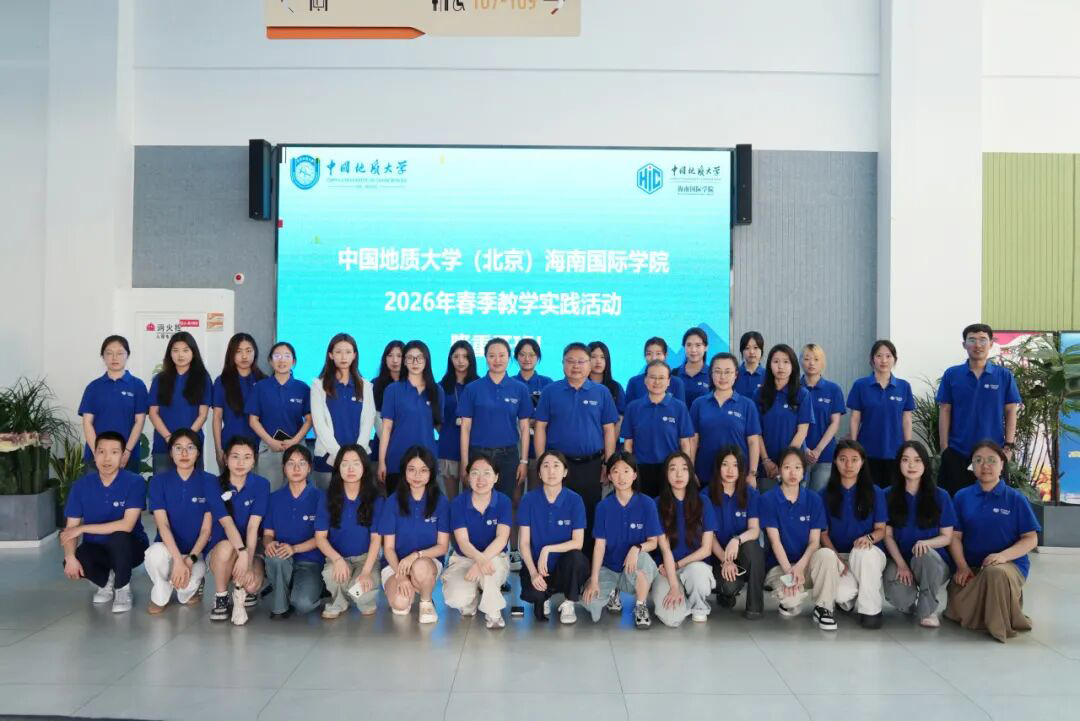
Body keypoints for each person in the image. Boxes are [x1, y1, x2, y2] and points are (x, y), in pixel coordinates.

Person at [946, 440, 1039, 642]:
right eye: (978, 460)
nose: (985, 465)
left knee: (994, 572)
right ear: (972, 465)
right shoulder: (962, 497)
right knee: (955, 610)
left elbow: (1031, 538)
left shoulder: (1015, 498)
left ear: (1002, 464)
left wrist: (1003, 556)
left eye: (991, 460)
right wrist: (962, 567)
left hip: (1009, 565)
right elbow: (954, 536)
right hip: (971, 568)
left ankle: (999, 628)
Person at [533, 342, 618, 535]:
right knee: (558, 513)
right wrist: (541, 461)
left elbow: (609, 430)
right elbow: (540, 427)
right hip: (559, 465)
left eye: (581, 361)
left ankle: (587, 554)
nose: (576, 366)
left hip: (592, 465)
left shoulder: (601, 392)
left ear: (589, 364)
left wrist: (608, 463)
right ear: (563, 364)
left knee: (589, 513)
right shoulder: (550, 391)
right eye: (570, 361)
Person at [60, 432, 149, 614]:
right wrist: (70, 558)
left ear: (123, 456)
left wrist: (82, 528)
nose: (107, 458)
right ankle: (106, 581)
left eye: (114, 452)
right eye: (101, 452)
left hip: (130, 548)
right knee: (77, 556)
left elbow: (127, 525)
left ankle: (122, 588)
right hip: (97, 547)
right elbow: (70, 530)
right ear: (94, 454)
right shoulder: (81, 486)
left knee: (119, 537)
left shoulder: (135, 482)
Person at [582, 451, 671, 629]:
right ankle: (613, 591)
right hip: (610, 567)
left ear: (634, 474)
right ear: (609, 476)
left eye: (626, 471)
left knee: (643, 560)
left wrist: (636, 548)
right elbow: (599, 546)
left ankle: (640, 605)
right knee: (589, 604)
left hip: (633, 566)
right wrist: (594, 579)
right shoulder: (603, 507)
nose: (621, 477)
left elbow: (653, 542)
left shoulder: (647, 504)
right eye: (615, 471)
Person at [759, 447, 840, 630]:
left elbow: (814, 542)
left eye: (797, 467)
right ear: (780, 470)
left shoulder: (814, 499)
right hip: (780, 566)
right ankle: (789, 600)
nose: (792, 472)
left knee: (827, 554)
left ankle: (824, 608)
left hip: (807, 564)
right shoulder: (768, 499)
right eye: (787, 467)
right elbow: (775, 542)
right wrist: (790, 571)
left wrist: (800, 567)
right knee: (791, 602)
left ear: (804, 471)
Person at [936, 324, 1021, 494]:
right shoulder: (952, 374)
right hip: (958, 452)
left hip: (992, 453)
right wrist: (944, 447)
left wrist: (1008, 446)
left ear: (991, 344)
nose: (977, 345)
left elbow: (1011, 411)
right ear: (964, 344)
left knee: (991, 501)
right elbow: (945, 410)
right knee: (954, 501)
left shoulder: (1003, 375)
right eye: (972, 340)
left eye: (983, 340)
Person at [883, 440, 955, 628]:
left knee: (924, 554)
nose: (911, 465)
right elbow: (887, 535)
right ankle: (909, 602)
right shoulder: (887, 495)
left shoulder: (941, 496)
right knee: (899, 597)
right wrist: (901, 564)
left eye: (917, 460)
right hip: (900, 559)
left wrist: (927, 543)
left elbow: (947, 536)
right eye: (905, 460)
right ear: (899, 464)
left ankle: (928, 610)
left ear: (925, 464)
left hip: (932, 562)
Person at [818, 440, 888, 629]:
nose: (848, 465)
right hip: (840, 556)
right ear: (835, 461)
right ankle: (853, 595)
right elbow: (823, 534)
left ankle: (871, 611)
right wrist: (835, 558)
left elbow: (882, 529)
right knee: (841, 594)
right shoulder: (824, 494)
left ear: (862, 462)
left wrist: (869, 538)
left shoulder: (876, 492)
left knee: (862, 553)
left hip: (870, 553)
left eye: (854, 459)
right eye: (843, 459)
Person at [378, 445, 450, 624]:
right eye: (412, 469)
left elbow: (442, 547)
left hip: (426, 561)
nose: (417, 476)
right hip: (395, 563)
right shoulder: (392, 502)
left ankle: (426, 601)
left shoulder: (440, 501)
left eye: (423, 470)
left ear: (431, 473)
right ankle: (409, 589)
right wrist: (401, 575)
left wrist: (416, 555)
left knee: (420, 567)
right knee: (400, 605)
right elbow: (388, 548)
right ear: (404, 471)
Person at [145, 429, 214, 614]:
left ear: (198, 453)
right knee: (154, 554)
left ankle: (187, 590)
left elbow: (206, 531)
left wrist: (189, 561)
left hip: (195, 553)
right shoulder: (158, 481)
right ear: (170, 452)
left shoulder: (210, 482)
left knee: (186, 591)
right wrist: (177, 560)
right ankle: (161, 594)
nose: (184, 453)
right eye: (178, 448)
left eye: (190, 448)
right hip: (168, 549)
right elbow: (163, 524)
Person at [517, 449, 590, 623]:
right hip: (538, 567)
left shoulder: (575, 500)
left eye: (556, 466)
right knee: (533, 594)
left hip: (564, 568)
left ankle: (569, 602)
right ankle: (545, 597)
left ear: (564, 472)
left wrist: (548, 549)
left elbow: (578, 542)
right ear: (539, 473)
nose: (551, 471)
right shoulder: (528, 500)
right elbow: (523, 543)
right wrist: (533, 573)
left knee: (577, 558)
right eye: (546, 466)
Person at [314, 445, 384, 620]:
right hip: (338, 557)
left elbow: (376, 540)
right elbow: (320, 538)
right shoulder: (327, 497)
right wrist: (337, 559)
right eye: (345, 464)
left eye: (356, 463)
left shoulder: (375, 498)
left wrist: (366, 572)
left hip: (366, 558)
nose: (350, 469)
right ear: (338, 468)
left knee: (361, 592)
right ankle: (339, 601)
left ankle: (358, 596)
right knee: (332, 573)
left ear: (364, 467)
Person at [458, 337, 531, 504]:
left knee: (504, 503)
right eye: (492, 356)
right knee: (476, 502)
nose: (497, 360)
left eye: (502, 355)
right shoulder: (473, 388)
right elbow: (465, 428)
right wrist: (465, 462)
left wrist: (524, 461)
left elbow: (525, 427)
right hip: (478, 454)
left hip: (508, 456)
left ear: (509, 358)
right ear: (485, 358)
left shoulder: (519, 388)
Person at [205, 436, 270, 626]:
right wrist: (241, 552)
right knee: (227, 548)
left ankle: (241, 588)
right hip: (223, 548)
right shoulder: (214, 484)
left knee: (252, 585)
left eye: (247, 457)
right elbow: (227, 524)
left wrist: (247, 562)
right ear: (225, 459)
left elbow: (253, 526)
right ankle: (221, 596)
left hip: (251, 547)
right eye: (235, 457)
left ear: (254, 460)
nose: (241, 463)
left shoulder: (261, 484)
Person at [444, 453, 513, 628]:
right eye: (475, 473)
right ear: (468, 477)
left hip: (495, 557)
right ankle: (472, 596)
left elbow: (502, 538)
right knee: (457, 598)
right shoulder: (458, 503)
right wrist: (478, 560)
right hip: (464, 558)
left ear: (496, 477)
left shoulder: (503, 502)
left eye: (487, 473)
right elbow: (462, 541)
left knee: (489, 569)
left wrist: (481, 562)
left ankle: (493, 612)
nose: (480, 479)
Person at [651, 450, 717, 626]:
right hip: (665, 569)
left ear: (691, 473)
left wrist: (679, 564)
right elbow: (665, 548)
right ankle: (682, 596)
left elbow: (706, 549)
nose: (679, 474)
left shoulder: (703, 502)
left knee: (698, 574)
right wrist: (673, 585)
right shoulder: (657, 504)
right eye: (673, 469)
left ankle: (699, 605)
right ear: (666, 474)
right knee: (672, 620)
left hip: (694, 565)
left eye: (684, 469)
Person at [262, 445, 324, 619]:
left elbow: (322, 538)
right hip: (283, 559)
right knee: (275, 558)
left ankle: (311, 587)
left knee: (303, 604)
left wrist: (295, 549)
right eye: (291, 463)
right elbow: (267, 534)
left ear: (309, 468)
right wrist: (269, 544)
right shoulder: (274, 498)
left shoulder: (320, 497)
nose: (296, 468)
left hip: (310, 561)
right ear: (284, 468)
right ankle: (280, 607)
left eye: (302, 463)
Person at [705, 446, 765, 619]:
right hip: (717, 556)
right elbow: (709, 537)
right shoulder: (706, 495)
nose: (730, 470)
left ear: (741, 469)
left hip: (741, 551)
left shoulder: (750, 493)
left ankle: (754, 608)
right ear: (718, 467)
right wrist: (725, 560)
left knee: (754, 549)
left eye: (735, 465)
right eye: (725, 464)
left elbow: (754, 530)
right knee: (729, 585)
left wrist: (737, 540)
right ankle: (726, 593)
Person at [310, 333, 376, 490]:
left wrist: (355, 457)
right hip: (327, 458)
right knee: (327, 502)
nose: (343, 356)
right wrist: (340, 456)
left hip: (359, 460)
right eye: (338, 352)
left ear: (354, 355)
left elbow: (368, 422)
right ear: (331, 355)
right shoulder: (319, 385)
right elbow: (319, 424)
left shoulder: (365, 386)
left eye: (348, 352)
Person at [378, 340, 444, 495]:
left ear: (426, 361)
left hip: (427, 460)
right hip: (397, 459)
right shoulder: (393, 390)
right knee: (396, 504)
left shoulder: (436, 391)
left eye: (419, 358)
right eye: (410, 358)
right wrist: (381, 461)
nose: (415, 362)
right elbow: (386, 428)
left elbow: (439, 426)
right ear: (404, 361)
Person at [246, 341, 312, 491]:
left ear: (293, 362)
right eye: (277, 356)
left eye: (287, 356)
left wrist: (295, 441)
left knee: (298, 491)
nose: (282, 360)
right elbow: (253, 420)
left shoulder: (302, 388)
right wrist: (270, 441)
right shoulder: (260, 387)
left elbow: (309, 420)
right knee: (269, 492)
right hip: (269, 447)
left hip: (296, 447)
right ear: (270, 361)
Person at [622, 360, 694, 496]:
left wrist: (687, 469)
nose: (657, 382)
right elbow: (628, 444)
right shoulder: (633, 407)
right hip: (641, 469)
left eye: (661, 378)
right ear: (645, 380)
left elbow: (685, 443)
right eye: (652, 377)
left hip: (670, 469)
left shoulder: (679, 407)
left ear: (668, 381)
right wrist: (629, 469)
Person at [847, 340, 914, 487]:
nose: (884, 360)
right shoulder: (860, 385)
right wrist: (853, 445)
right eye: (879, 356)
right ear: (872, 360)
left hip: (895, 451)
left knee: (893, 494)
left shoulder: (904, 386)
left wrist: (908, 446)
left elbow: (907, 420)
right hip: (867, 450)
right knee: (868, 492)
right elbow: (855, 418)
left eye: (888, 356)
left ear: (895, 359)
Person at [690, 352, 761, 488]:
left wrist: (752, 473)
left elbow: (753, 442)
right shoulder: (698, 404)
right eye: (718, 371)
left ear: (736, 375)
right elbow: (693, 441)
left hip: (737, 475)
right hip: (705, 474)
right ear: (711, 374)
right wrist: (691, 471)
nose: (722, 377)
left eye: (728, 372)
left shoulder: (747, 405)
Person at [79, 335, 148, 473]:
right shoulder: (94, 387)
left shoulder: (138, 385)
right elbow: (87, 422)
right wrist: (98, 452)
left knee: (128, 487)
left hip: (128, 455)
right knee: (95, 487)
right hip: (96, 456)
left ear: (127, 355)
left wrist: (127, 451)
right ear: (103, 356)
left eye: (120, 353)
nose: (114, 358)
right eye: (109, 353)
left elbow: (139, 421)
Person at [148, 332, 212, 474]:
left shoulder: (202, 379)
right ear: (170, 353)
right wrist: (169, 438)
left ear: (193, 352)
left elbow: (203, 414)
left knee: (193, 486)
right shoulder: (160, 379)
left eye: (185, 350)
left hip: (192, 446)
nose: (180, 355)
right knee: (163, 486)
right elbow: (153, 413)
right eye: (175, 350)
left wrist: (186, 441)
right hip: (163, 445)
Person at [754, 345, 814, 488]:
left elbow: (802, 431)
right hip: (767, 467)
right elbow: (756, 432)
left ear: (793, 365)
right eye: (776, 361)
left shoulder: (802, 394)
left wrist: (786, 463)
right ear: (769, 365)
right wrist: (766, 460)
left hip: (794, 466)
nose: (780, 366)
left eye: (786, 362)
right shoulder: (759, 394)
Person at [212, 333, 265, 469]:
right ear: (231, 354)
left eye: (248, 351)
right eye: (239, 351)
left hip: (259, 448)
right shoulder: (222, 381)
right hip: (229, 446)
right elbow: (217, 417)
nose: (244, 356)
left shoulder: (264, 381)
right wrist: (218, 449)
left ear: (255, 353)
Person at [800, 344, 846, 492]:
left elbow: (835, 423)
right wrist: (805, 449)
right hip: (798, 454)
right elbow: (792, 422)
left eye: (816, 359)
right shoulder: (794, 388)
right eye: (807, 359)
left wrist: (818, 450)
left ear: (822, 362)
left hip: (824, 454)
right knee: (798, 497)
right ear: (800, 361)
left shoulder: (833, 389)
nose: (811, 363)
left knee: (819, 498)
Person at [437, 340, 479, 497]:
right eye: (456, 356)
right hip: (449, 446)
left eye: (465, 356)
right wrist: (446, 431)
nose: (461, 361)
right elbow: (436, 419)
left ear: (471, 359)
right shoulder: (441, 386)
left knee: (473, 497)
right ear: (450, 359)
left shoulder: (480, 385)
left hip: (475, 446)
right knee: (452, 499)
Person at [513, 337, 553, 481]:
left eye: (531, 355)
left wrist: (535, 421)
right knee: (515, 491)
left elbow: (553, 414)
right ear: (516, 357)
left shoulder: (548, 383)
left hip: (541, 447)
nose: (527, 359)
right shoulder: (510, 383)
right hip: (515, 448)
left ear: (538, 357)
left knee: (538, 490)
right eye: (522, 354)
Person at [369, 339, 404, 464]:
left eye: (399, 356)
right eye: (390, 355)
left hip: (407, 445)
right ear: (384, 359)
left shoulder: (412, 384)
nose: (395, 360)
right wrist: (388, 442)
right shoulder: (375, 384)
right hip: (382, 442)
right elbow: (375, 416)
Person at [624, 337, 687, 405]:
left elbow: (680, 408)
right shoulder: (634, 382)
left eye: (658, 353)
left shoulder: (677, 383)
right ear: (645, 356)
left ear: (666, 355)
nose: (654, 358)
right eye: (649, 354)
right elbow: (629, 409)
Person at [587, 340, 628, 433]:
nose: (598, 361)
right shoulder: (580, 386)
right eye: (593, 357)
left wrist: (611, 440)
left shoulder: (615, 387)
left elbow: (620, 417)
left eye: (602, 357)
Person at [673, 327, 711, 408]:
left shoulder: (713, 374)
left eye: (698, 345)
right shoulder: (674, 374)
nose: (693, 350)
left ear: (706, 347)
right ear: (684, 347)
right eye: (689, 345)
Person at [733, 330, 766, 399]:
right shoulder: (734, 374)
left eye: (755, 348)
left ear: (761, 350)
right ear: (742, 351)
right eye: (747, 348)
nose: (751, 352)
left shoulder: (768, 375)